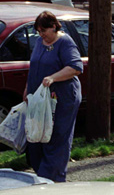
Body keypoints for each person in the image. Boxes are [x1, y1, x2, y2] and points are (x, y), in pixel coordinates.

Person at [24, 11, 83, 182]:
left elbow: (75, 67)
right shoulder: (39, 42)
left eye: (44, 31)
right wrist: (27, 89)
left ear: (54, 26)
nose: (42, 35)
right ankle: (42, 174)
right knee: (37, 137)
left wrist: (53, 77)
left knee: (56, 137)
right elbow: (34, 67)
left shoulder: (65, 42)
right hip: (40, 100)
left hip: (62, 98)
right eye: (39, 31)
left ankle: (53, 178)